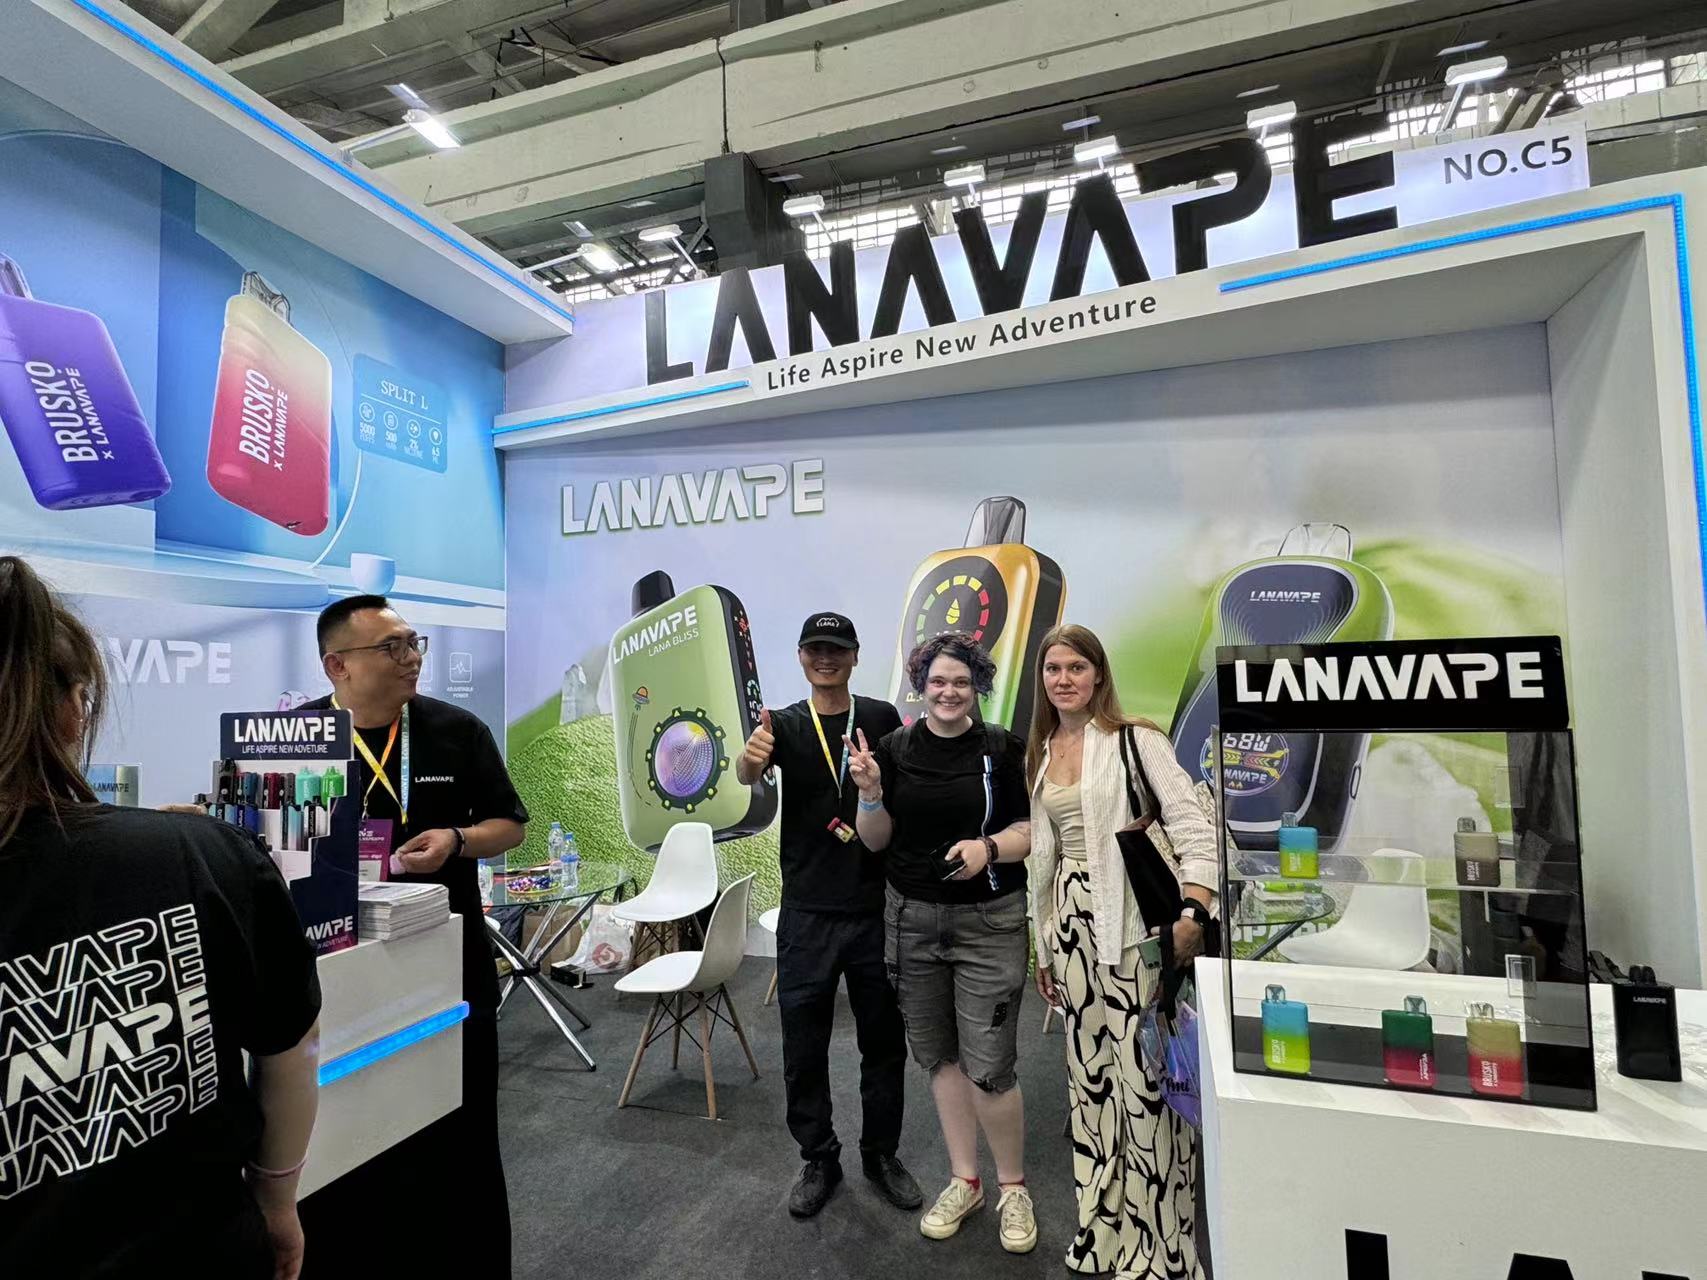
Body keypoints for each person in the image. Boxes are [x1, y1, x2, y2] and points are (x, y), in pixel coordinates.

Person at [0, 556, 321, 1279]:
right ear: (73, 708)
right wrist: (277, 1200)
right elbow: (291, 1049)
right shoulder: (203, 854)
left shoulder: (203, 851)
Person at [297, 595, 527, 1276]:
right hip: (339, 973)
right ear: (337, 665)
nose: (411, 659)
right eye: (391, 647)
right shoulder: (298, 737)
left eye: (412, 643)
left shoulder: (454, 730)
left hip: (446, 965)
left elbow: (509, 825)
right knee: (351, 1135)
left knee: (460, 1126)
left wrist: (457, 839)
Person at [1025, 623, 1217, 1280]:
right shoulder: (1042, 749)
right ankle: (1103, 1231)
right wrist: (1043, 947)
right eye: (1053, 668)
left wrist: (1193, 910)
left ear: (1098, 674)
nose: (1063, 679)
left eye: (1076, 667)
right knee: (1090, 1083)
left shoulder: (1137, 740)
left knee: (1146, 1088)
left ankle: (1161, 1249)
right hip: (1071, 935)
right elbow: (1045, 856)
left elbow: (1193, 828)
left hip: (1135, 932)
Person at [848, 632, 1037, 1255]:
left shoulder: (1001, 748)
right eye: (937, 681)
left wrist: (989, 848)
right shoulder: (893, 750)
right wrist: (870, 794)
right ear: (921, 687)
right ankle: (965, 1181)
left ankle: (1014, 1188)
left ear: (977, 686)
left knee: (991, 1065)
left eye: (961, 681)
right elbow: (875, 841)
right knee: (941, 1059)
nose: (949, 692)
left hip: (989, 923)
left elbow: (1031, 830)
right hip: (911, 922)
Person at [734, 612, 919, 1219]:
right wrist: (749, 759)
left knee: (883, 1044)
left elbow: (898, 791)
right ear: (801, 655)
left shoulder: (881, 718)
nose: (826, 657)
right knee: (803, 1044)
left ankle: (881, 1154)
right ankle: (818, 1157)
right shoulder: (784, 724)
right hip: (808, 910)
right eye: (815, 648)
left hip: (874, 907)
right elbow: (747, 772)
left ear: (855, 656)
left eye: (837, 648)